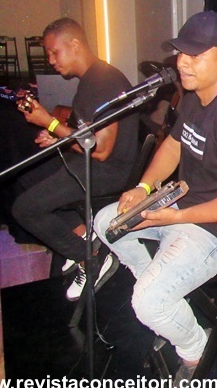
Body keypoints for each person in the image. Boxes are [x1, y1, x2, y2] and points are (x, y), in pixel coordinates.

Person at [94, 11, 217, 388]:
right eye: (180, 54)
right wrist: (143, 187)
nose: (182, 63)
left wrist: (177, 216)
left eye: (194, 55)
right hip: (182, 208)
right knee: (106, 223)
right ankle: (160, 289)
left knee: (147, 303)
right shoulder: (193, 99)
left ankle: (195, 349)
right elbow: (173, 146)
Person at [12, 17, 139, 301]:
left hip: (109, 170)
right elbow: (87, 133)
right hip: (94, 162)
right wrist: (58, 136)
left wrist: (50, 123)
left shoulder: (103, 81)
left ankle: (90, 259)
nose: (51, 60)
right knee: (28, 175)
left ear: (74, 44)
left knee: (24, 209)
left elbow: (101, 150)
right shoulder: (93, 78)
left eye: (54, 52)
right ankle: (83, 235)